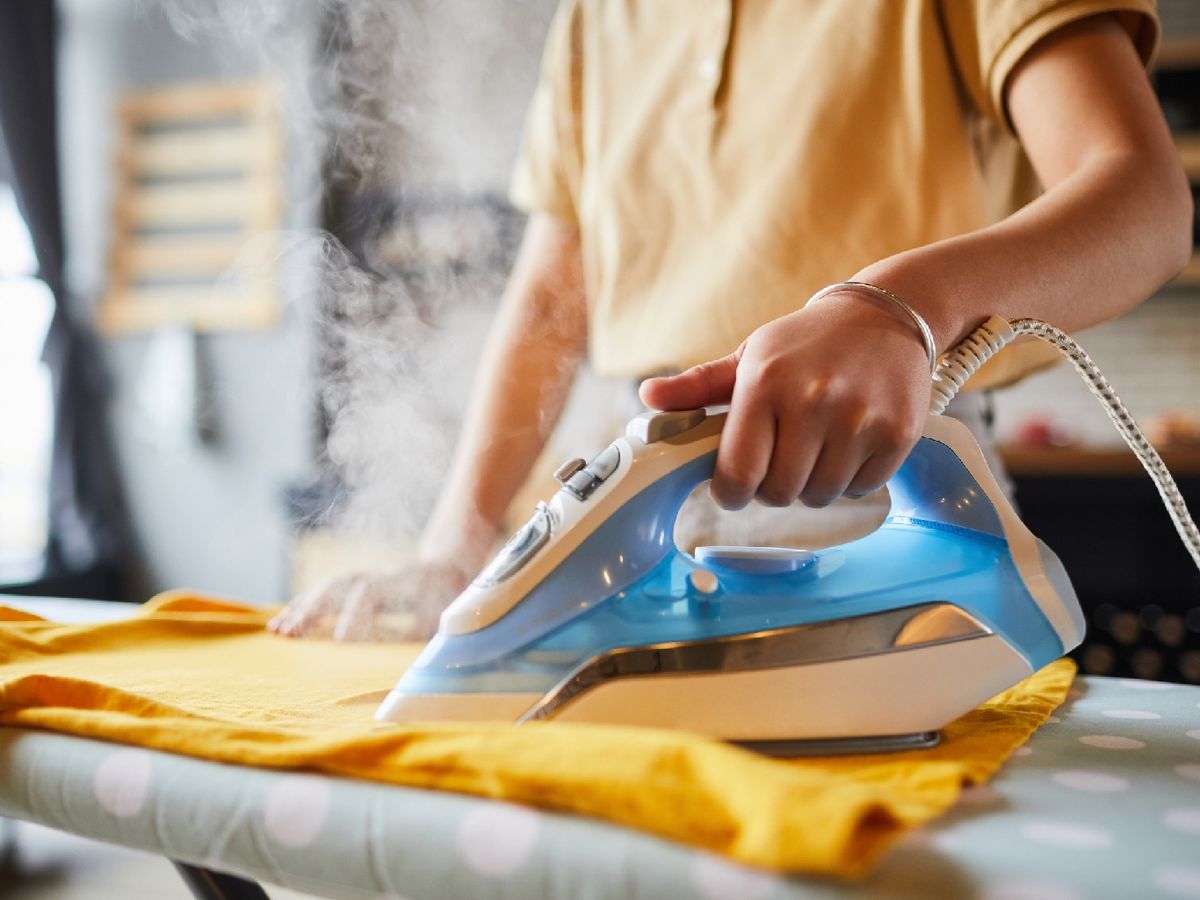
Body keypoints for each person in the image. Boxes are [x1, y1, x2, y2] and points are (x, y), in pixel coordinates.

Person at [270, 0, 1192, 641]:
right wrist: (454, 548)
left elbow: (1145, 203)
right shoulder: (598, 18)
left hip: (884, 468)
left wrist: (897, 310)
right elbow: (554, 305)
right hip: (645, 470)